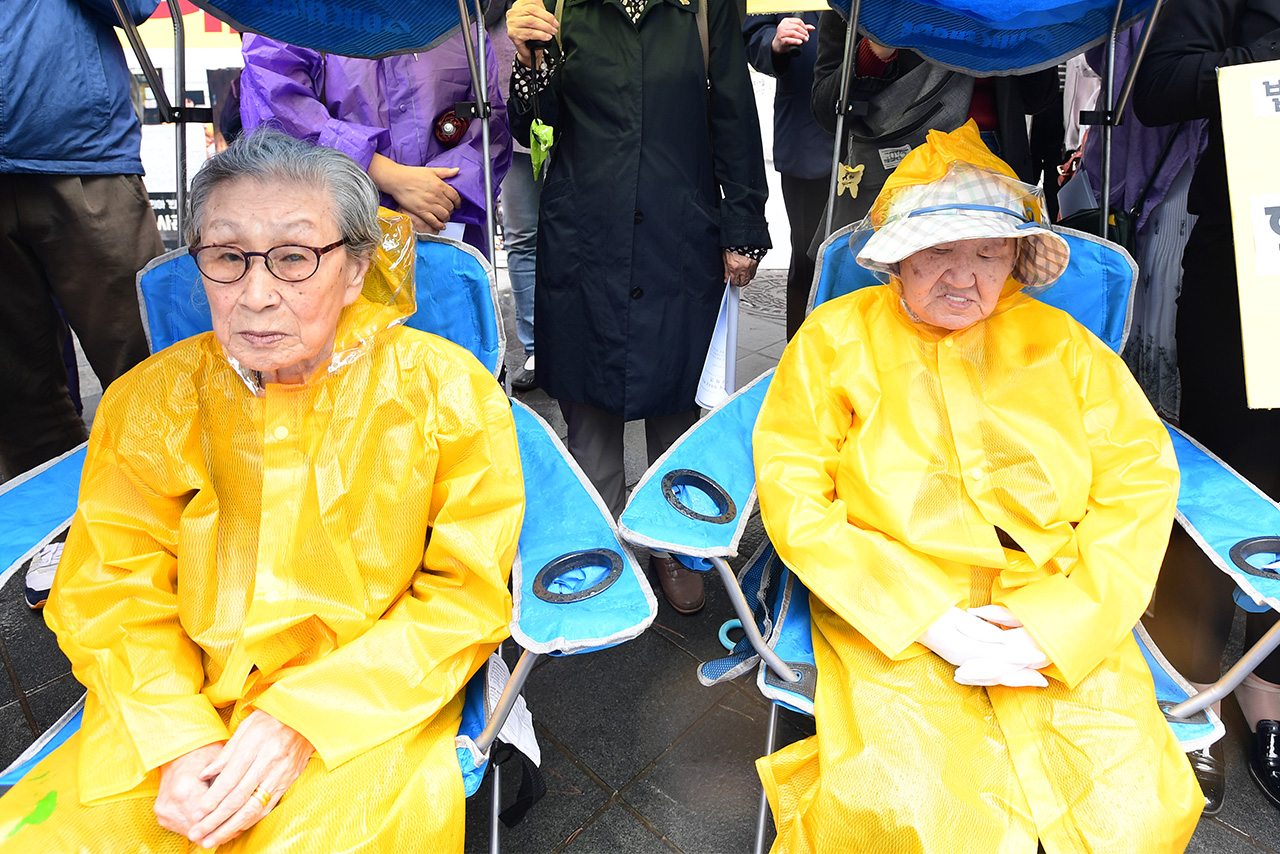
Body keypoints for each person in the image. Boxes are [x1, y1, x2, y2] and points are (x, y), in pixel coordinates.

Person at [0, 131, 524, 852]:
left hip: (363, 707)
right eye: (225, 256)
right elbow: (113, 588)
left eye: (294, 257)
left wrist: (303, 719)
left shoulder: (446, 390)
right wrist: (176, 737)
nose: (255, 293)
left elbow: (465, 595)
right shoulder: (150, 399)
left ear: (355, 268)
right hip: (172, 702)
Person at [752, 122, 1201, 853]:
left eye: (989, 252)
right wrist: (916, 610)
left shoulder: (1064, 346)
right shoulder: (835, 340)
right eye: (936, 252)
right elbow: (794, 489)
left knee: (1136, 813)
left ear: (1018, 258)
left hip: (1053, 595)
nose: (963, 277)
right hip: (894, 607)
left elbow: (1138, 480)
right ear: (896, 261)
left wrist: (1065, 622)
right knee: (907, 813)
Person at [505, 0, 770, 613]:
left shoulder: (704, 9)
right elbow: (531, 128)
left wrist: (743, 221)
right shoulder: (558, 8)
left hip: (679, 230)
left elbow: (734, 110)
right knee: (589, 408)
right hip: (585, 236)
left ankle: (671, 544)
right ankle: (595, 545)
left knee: (676, 397)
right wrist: (528, 61)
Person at [1134, 0, 1280, 812]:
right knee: (1229, 476)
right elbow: (1159, 84)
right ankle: (1193, 691)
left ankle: (1266, 697)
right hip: (1250, 270)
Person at [0, 0, 165, 478]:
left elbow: (134, 6)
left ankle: (182, 516)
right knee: (17, 393)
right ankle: (59, 540)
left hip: (83, 155)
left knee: (146, 364)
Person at [239, 32, 512, 255]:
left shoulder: (456, 17)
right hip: (332, 228)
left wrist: (439, 199)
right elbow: (278, 111)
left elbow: (487, 121)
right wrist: (383, 172)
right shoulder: (289, 13)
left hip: (443, 230)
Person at [809, 10, 1056, 234]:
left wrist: (1030, 29)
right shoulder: (861, 5)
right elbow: (827, 110)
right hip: (903, 162)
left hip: (995, 158)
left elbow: (1038, 98)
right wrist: (876, 48)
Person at [743, 13, 836, 340]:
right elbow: (755, 32)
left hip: (879, 136)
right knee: (809, 257)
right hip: (807, 139)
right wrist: (775, 40)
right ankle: (799, 360)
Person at [486, 0, 542, 392]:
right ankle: (536, 345)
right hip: (508, 106)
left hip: (576, 103)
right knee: (522, 237)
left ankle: (585, 340)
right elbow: (479, 14)